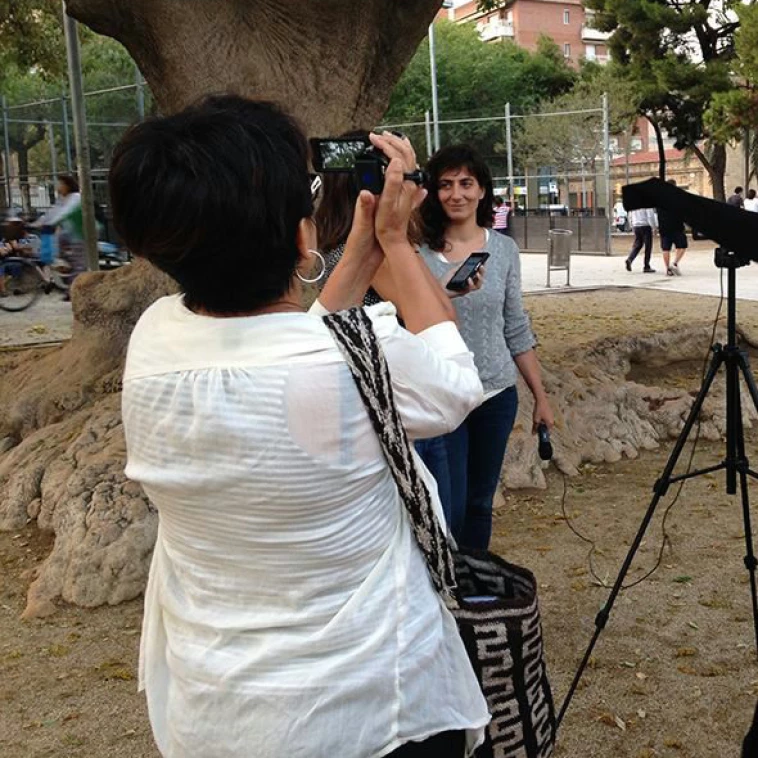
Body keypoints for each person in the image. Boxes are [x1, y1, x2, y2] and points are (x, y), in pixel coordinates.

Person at [112, 95, 490, 758]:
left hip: (218, 711)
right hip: (375, 710)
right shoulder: (360, 354)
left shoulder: (155, 341)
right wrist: (398, 244)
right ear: (302, 234)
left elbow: (295, 348)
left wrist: (363, 253)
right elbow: (453, 382)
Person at [415, 144, 554, 550]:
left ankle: (476, 587)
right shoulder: (416, 253)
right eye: (444, 184)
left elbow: (516, 327)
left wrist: (540, 397)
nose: (455, 194)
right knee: (448, 504)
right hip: (443, 394)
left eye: (465, 183)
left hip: (495, 393)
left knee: (479, 503)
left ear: (481, 190)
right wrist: (444, 292)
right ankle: (447, 590)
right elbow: (405, 322)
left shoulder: (505, 250)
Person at [35, 174, 85, 300]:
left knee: (77, 263)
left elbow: (64, 213)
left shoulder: (76, 197)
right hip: (67, 234)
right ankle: (66, 282)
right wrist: (39, 222)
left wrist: (51, 222)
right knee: (56, 254)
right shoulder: (62, 199)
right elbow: (53, 212)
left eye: (60, 184)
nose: (58, 187)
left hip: (80, 233)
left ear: (67, 185)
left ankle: (74, 292)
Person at [658, 179, 688, 276]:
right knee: (682, 246)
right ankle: (675, 263)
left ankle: (667, 269)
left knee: (666, 249)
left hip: (664, 227)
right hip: (677, 226)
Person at [625, 207, 656, 273]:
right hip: (645, 226)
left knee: (637, 245)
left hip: (636, 226)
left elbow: (630, 215)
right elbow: (650, 216)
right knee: (648, 246)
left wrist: (632, 225)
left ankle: (630, 259)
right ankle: (646, 266)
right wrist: (653, 227)